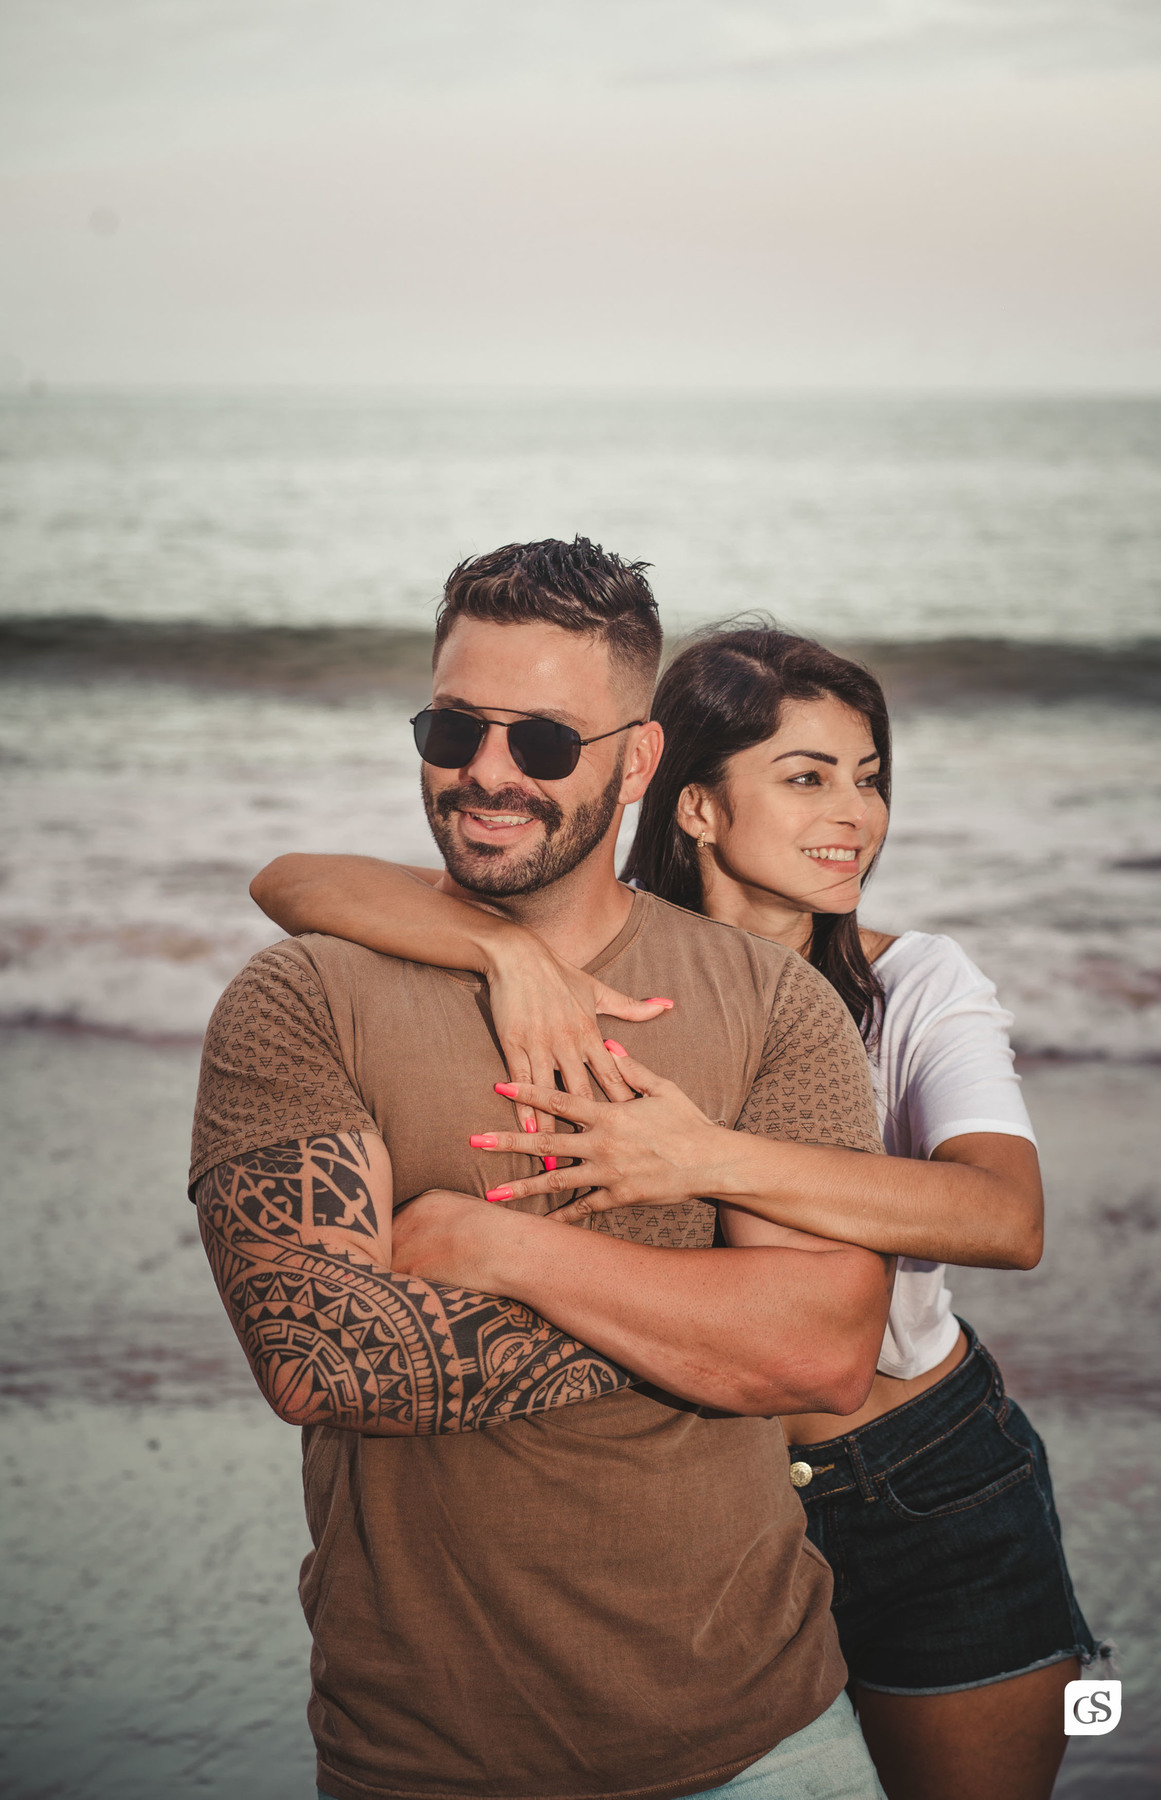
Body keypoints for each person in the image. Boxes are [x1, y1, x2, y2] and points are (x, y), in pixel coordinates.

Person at [254, 624, 1102, 1800]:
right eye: (807, 778)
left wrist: (707, 1157)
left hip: (921, 1477)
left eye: (870, 780)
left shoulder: (915, 984)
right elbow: (294, 881)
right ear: (695, 805)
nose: (855, 814)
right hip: (718, 1500)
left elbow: (1008, 1218)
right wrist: (503, 958)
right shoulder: (606, 943)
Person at [193, 540, 896, 1800]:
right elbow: (325, 1355)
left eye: (545, 744)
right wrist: (709, 1326)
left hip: (769, 1739)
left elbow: (825, 1356)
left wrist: (490, 1242)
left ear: (635, 761)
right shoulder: (304, 994)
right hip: (429, 1755)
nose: (489, 774)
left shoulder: (774, 1001)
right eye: (453, 727)